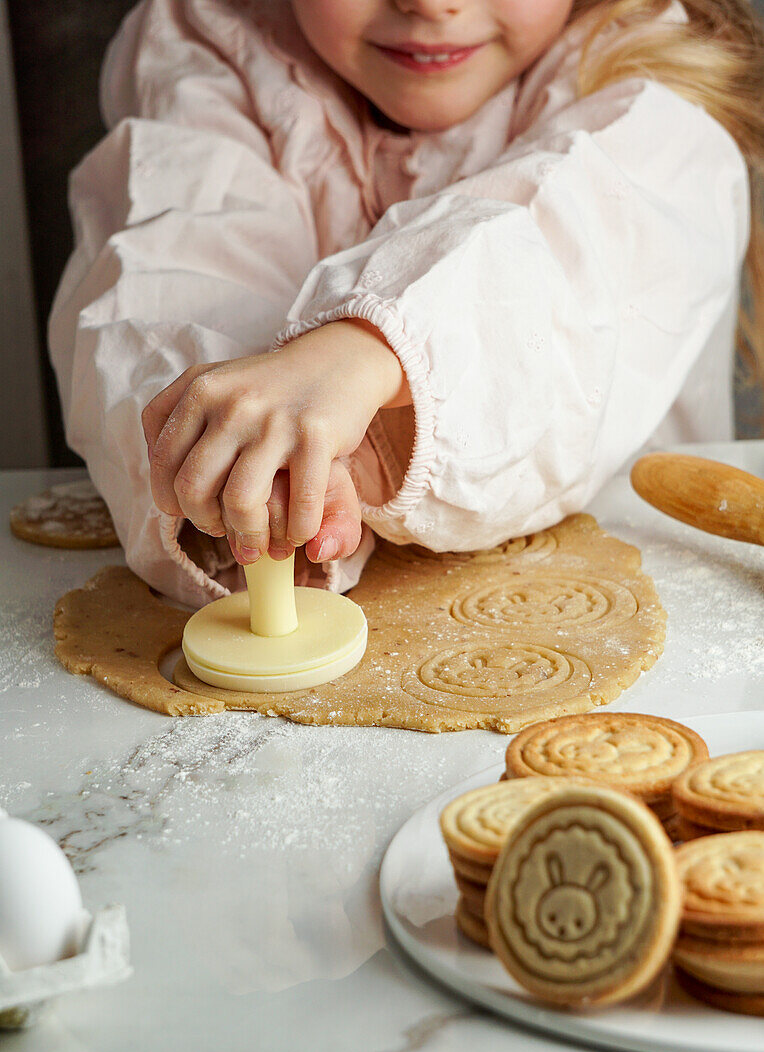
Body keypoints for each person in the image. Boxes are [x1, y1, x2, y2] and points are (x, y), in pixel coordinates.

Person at [49, 0, 763, 607]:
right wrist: (244, 468)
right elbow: (171, 273)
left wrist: (370, 349)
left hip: (660, 596)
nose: (430, 3)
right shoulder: (213, 37)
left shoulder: (657, 72)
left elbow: (568, 244)